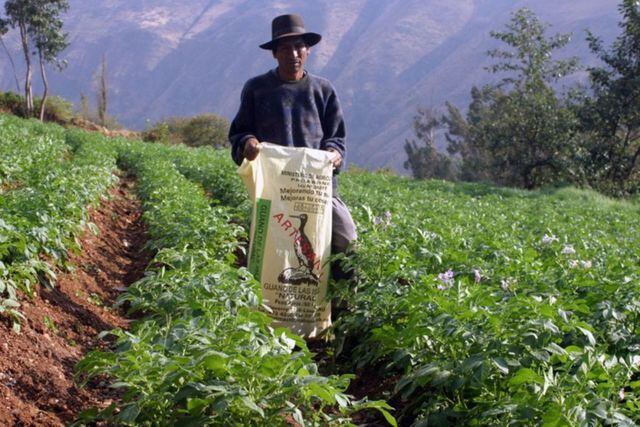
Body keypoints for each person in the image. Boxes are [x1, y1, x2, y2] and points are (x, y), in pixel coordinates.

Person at [229, 13, 357, 274]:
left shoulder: (323, 90)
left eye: (299, 47)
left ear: (308, 50)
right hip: (274, 189)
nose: (293, 54)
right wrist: (248, 143)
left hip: (317, 188)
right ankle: (263, 296)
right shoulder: (257, 89)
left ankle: (340, 296)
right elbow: (240, 132)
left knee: (346, 239)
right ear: (275, 53)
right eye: (285, 48)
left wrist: (334, 153)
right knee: (266, 251)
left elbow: (336, 137)